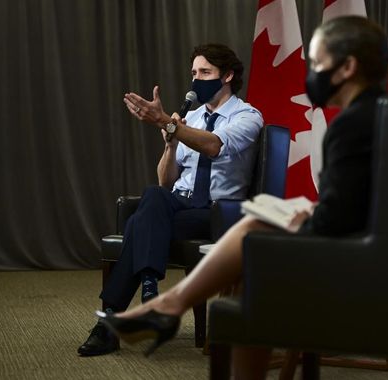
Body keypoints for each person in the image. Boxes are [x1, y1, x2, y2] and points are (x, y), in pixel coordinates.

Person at [97, 15, 388, 376]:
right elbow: (367, 203)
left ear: (347, 66)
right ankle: (160, 303)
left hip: (356, 252)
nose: (311, 73)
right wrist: (173, 139)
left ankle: (162, 306)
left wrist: (168, 124)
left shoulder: (347, 125)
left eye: (318, 63)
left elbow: (346, 216)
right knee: (154, 203)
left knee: (249, 234)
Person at [77, 43, 263, 356]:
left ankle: (109, 323)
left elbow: (215, 146)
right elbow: (167, 180)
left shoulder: (248, 116)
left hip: (216, 210)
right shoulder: (190, 117)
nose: (196, 80)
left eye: (205, 72)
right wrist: (171, 144)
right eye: (193, 73)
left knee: (138, 223)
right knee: (154, 194)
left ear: (228, 75)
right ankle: (150, 292)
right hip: (179, 202)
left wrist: (168, 123)